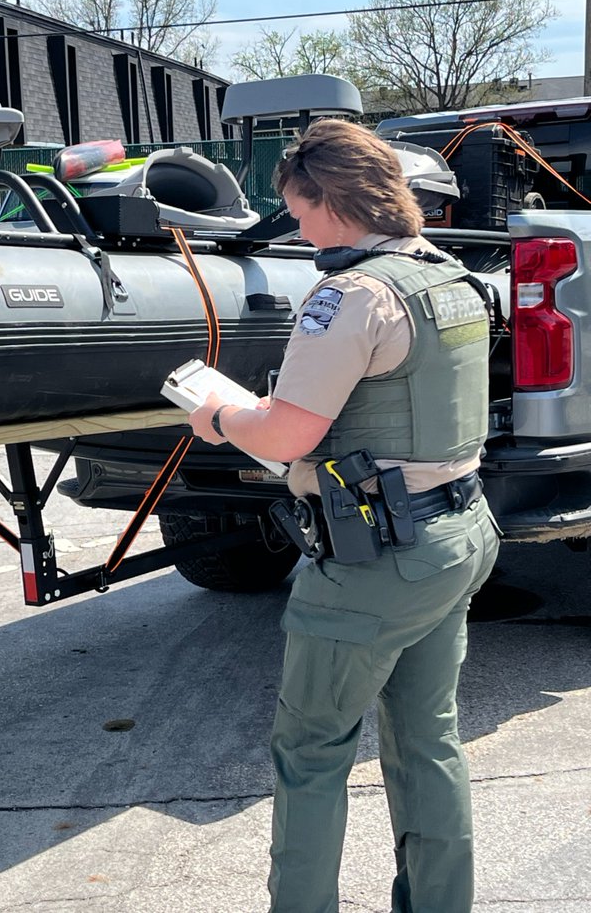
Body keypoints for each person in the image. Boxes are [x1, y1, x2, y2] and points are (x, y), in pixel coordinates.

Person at [187, 118, 500, 913]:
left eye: (299, 206)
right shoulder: (453, 280)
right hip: (458, 532)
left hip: (378, 562)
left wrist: (222, 416)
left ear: (331, 200)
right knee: (428, 741)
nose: (296, 224)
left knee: (311, 752)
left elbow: (291, 433)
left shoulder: (351, 295)